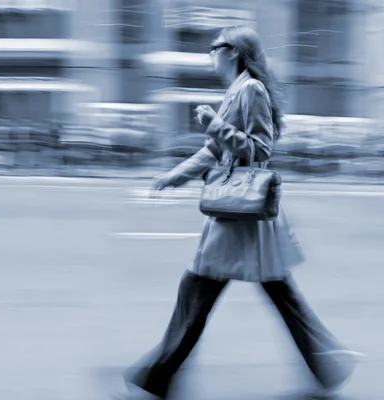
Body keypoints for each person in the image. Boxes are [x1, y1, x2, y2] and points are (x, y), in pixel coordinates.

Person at [120, 25, 363, 400]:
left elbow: (260, 149)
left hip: (241, 216)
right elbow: (214, 152)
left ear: (232, 51)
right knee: (276, 294)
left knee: (198, 289)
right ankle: (327, 366)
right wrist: (173, 177)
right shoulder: (237, 91)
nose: (210, 55)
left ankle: (157, 380)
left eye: (214, 48)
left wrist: (214, 124)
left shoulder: (250, 89)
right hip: (245, 216)